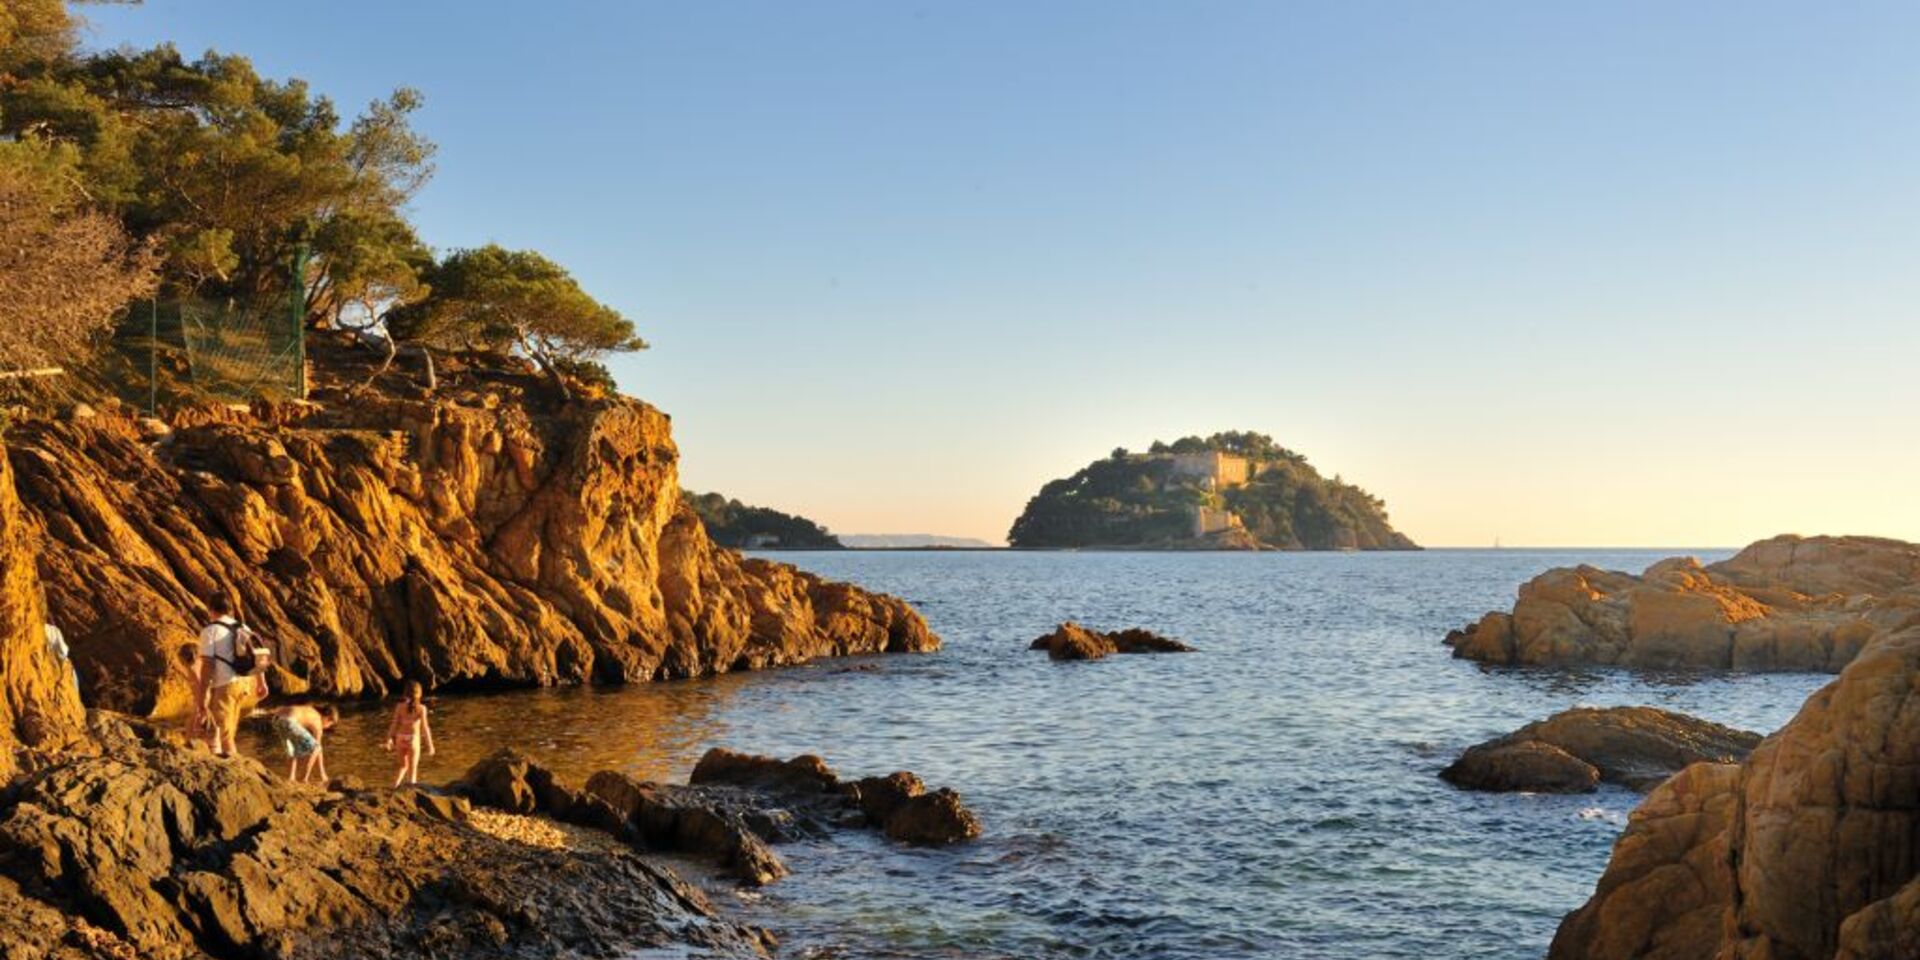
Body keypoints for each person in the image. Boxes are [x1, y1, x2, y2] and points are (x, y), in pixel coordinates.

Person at [193, 595, 267, 759]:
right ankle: (233, 765)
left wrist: (202, 697)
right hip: (245, 683)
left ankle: (234, 769)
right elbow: (258, 656)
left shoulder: (210, 631)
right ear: (230, 610)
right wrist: (262, 683)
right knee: (228, 732)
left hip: (225, 685)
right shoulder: (243, 626)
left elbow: (208, 665)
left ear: (210, 609)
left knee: (220, 735)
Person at [385, 680, 435, 787]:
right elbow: (425, 728)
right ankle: (411, 793)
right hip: (413, 739)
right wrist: (430, 745)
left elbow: (394, 724)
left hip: (400, 739)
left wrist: (389, 739)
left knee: (403, 766)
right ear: (420, 694)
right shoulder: (421, 708)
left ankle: (394, 786)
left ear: (405, 694)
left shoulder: (399, 707)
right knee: (413, 770)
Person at [271, 703, 338, 783]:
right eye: (330, 725)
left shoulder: (310, 709)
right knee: (317, 748)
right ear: (328, 718)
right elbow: (318, 750)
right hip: (289, 721)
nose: (328, 727)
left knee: (293, 749)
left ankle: (291, 778)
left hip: (276, 720)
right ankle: (304, 778)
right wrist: (322, 773)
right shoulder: (318, 720)